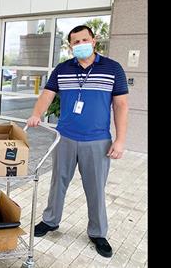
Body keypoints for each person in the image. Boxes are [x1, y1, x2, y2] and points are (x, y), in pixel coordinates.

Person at [26, 25, 128, 258]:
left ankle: (98, 233)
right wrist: (36, 114)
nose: (80, 44)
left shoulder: (112, 69)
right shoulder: (62, 69)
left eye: (85, 40)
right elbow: (47, 94)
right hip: (65, 138)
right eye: (75, 42)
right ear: (70, 46)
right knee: (57, 183)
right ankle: (50, 221)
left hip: (97, 140)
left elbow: (121, 105)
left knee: (95, 189)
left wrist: (120, 140)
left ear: (93, 41)